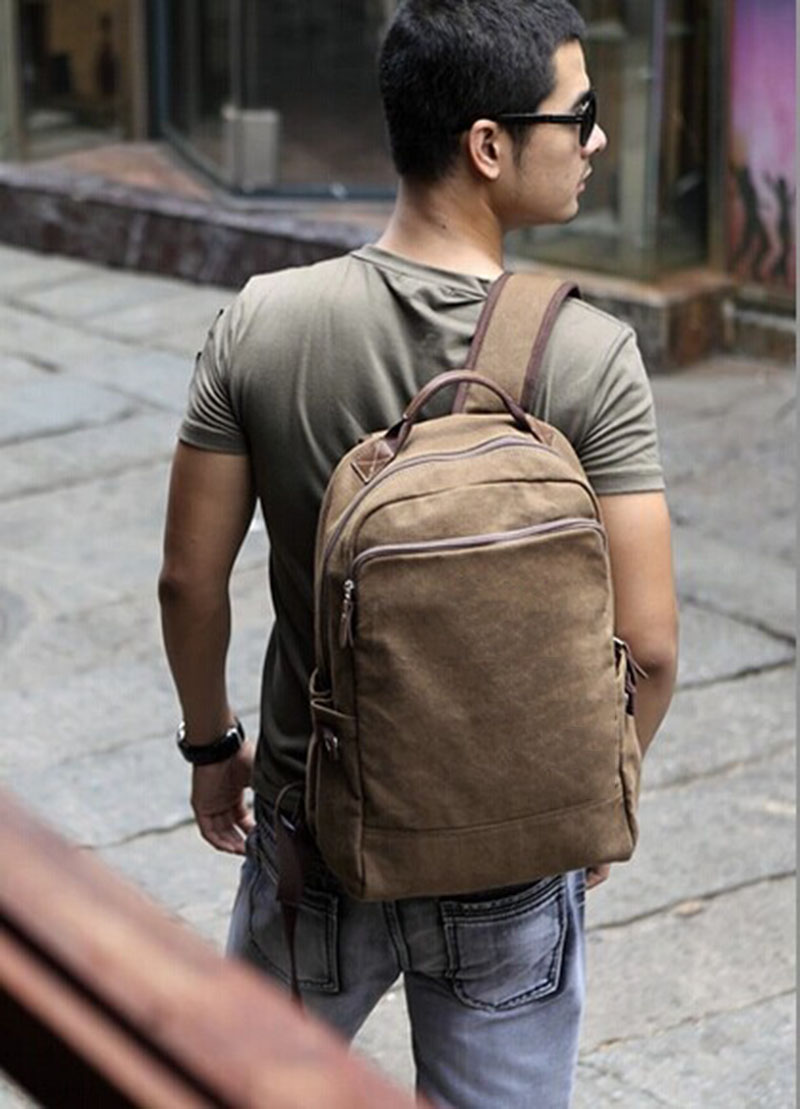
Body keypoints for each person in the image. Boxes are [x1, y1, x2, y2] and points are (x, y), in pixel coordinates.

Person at [158, 2, 678, 1105]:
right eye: (578, 113)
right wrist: (594, 786)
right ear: (488, 145)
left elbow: (188, 581)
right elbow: (651, 645)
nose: (596, 138)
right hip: (508, 853)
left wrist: (213, 744)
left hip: (314, 832)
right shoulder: (589, 356)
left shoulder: (264, 322)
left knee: (241, 1087)